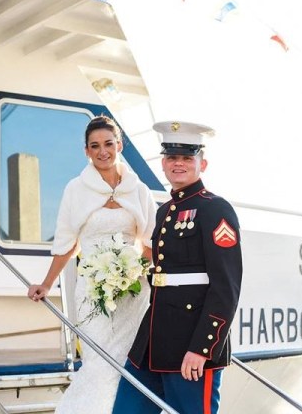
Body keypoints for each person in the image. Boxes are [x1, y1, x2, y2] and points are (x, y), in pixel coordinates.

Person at [27, 114, 156, 414]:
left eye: (109, 144)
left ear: (119, 145)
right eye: (95, 146)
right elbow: (66, 243)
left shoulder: (140, 191)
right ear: (86, 151)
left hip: (133, 292)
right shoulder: (75, 189)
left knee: (126, 360)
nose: (103, 151)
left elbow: (149, 244)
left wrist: (145, 279)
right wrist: (46, 284)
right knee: (99, 361)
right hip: (91, 290)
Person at [112, 121, 243, 414]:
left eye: (187, 157)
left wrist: (202, 348)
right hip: (152, 341)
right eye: (172, 157)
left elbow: (226, 288)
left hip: (191, 345)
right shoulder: (165, 211)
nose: (179, 163)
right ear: (164, 163)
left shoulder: (215, 209)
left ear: (202, 163)